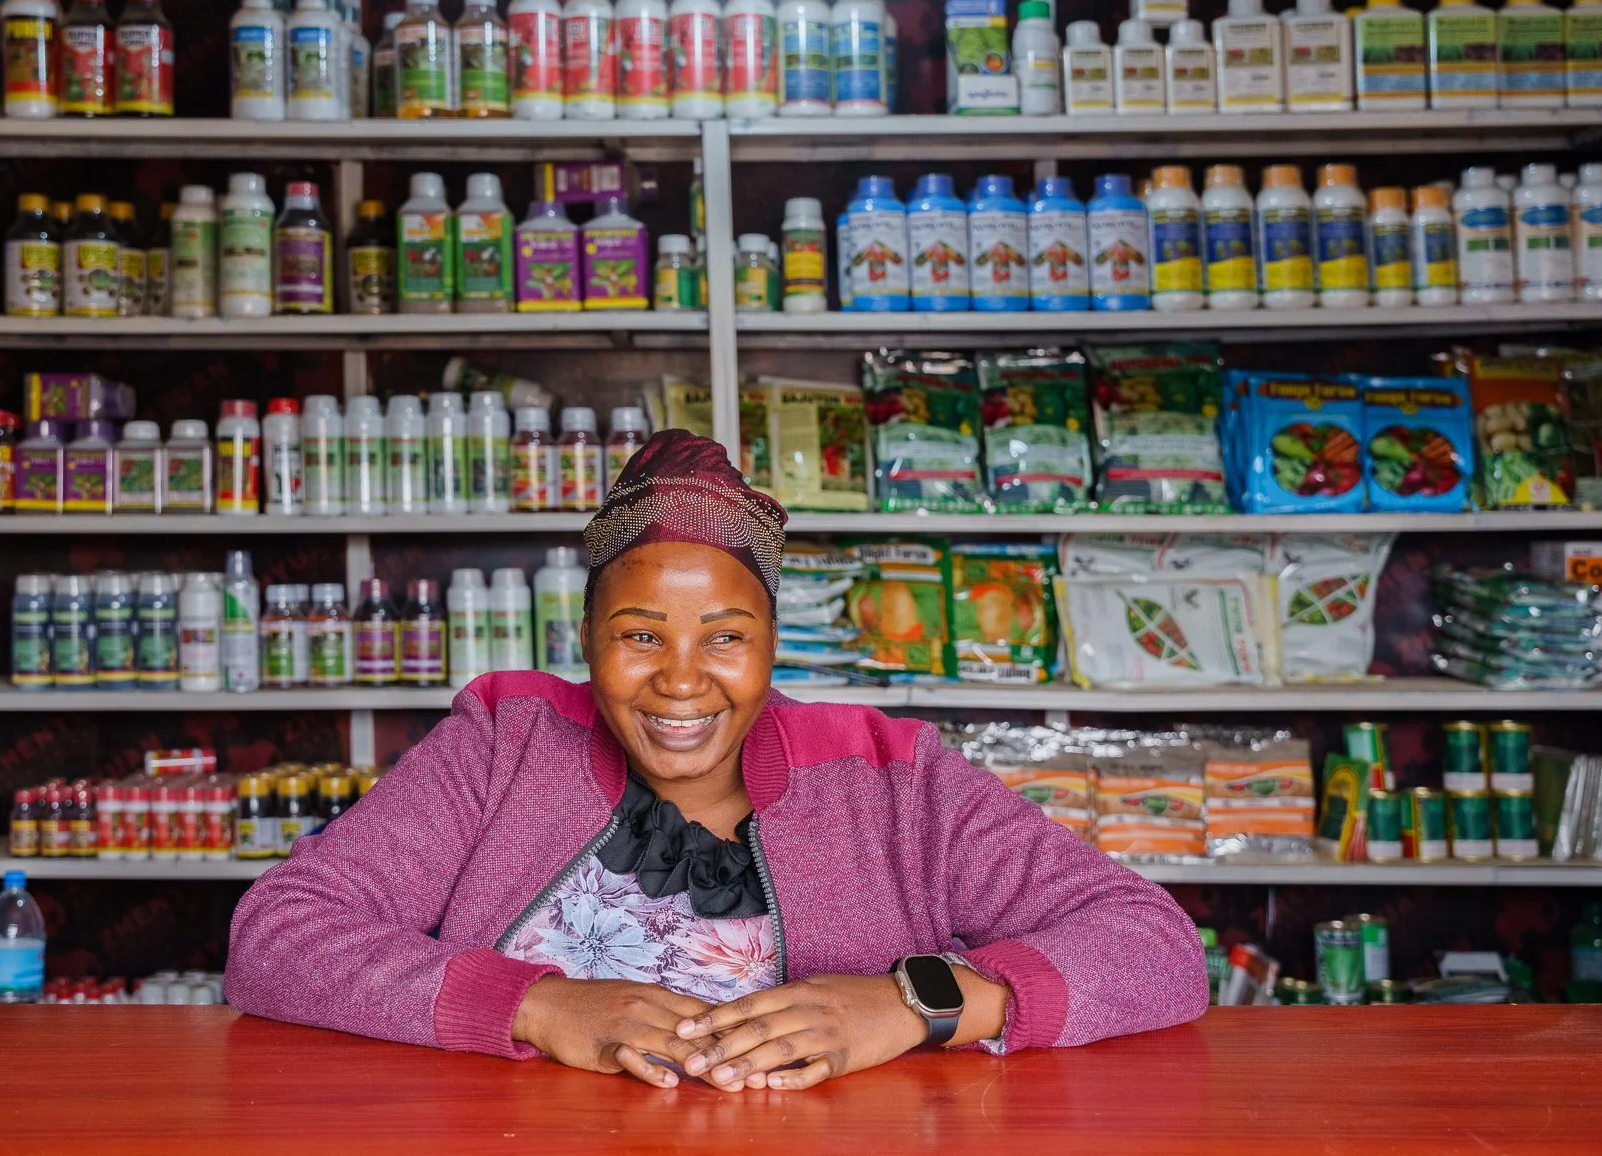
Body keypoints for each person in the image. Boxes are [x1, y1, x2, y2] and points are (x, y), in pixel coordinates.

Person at [227, 428, 1207, 1091]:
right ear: (586, 635)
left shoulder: (888, 773)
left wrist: (913, 999)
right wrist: (532, 1004)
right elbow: (276, 936)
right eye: (641, 635)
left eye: (725, 636)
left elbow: (1152, 945)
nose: (681, 682)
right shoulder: (503, 740)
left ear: (773, 643)